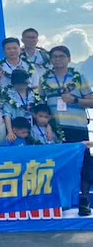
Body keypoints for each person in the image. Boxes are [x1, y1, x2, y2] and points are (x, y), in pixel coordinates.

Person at [38, 45, 93, 215]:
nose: (58, 60)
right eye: (54, 57)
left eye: (61, 56)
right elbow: (40, 105)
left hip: (76, 127)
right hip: (54, 128)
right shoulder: (45, 78)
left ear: (68, 58)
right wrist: (46, 124)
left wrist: (74, 100)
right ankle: (60, 201)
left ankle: (83, 200)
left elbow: (91, 101)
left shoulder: (78, 77)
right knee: (57, 164)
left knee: (83, 163)